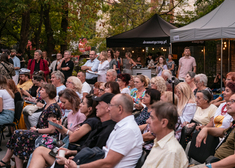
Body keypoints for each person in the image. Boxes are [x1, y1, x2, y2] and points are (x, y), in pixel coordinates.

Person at [28, 93, 116, 168]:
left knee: (39, 149)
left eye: (99, 104)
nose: (96, 107)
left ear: (108, 107)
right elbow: (90, 149)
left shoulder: (98, 124)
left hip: (77, 162)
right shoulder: (100, 124)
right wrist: (71, 152)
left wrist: (72, 162)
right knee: (39, 148)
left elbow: (95, 154)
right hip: (74, 156)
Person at [63, 94, 143, 168]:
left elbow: (108, 163)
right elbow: (103, 154)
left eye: (110, 106)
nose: (108, 109)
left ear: (120, 109)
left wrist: (78, 167)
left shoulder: (128, 129)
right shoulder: (121, 126)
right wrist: (79, 159)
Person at [0, 83, 62, 168]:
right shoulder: (48, 105)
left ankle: (8, 161)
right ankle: (8, 161)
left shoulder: (52, 108)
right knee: (16, 134)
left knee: (19, 135)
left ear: (48, 93)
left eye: (42, 90)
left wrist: (36, 130)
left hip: (48, 137)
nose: (40, 91)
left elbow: (51, 130)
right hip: (42, 134)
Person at [192, 93, 235, 168]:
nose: (227, 103)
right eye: (229, 101)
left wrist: (211, 166)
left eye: (232, 101)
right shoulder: (233, 124)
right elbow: (223, 132)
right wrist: (206, 129)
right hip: (215, 160)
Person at [142, 102, 188, 168]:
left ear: (163, 123)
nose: (147, 121)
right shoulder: (159, 142)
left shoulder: (171, 152)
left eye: (152, 118)